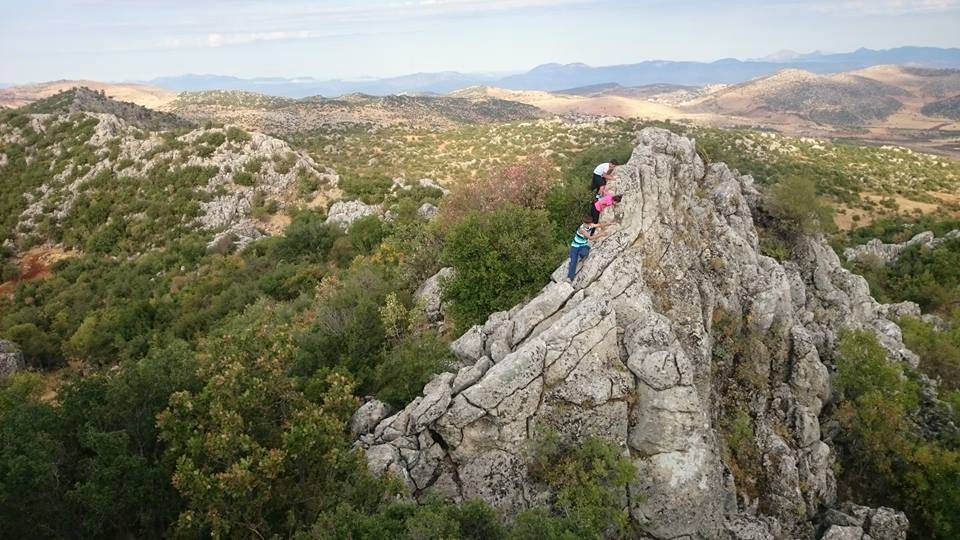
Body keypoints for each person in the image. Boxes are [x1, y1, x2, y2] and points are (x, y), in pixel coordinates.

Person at [567, 213, 614, 281]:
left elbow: (599, 225)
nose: (588, 225)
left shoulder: (591, 225)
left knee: (584, 253)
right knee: (573, 261)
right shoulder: (582, 229)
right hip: (574, 246)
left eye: (589, 224)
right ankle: (570, 277)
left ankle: (581, 254)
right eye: (586, 224)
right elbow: (590, 238)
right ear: (583, 222)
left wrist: (610, 223)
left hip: (583, 245)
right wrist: (601, 234)